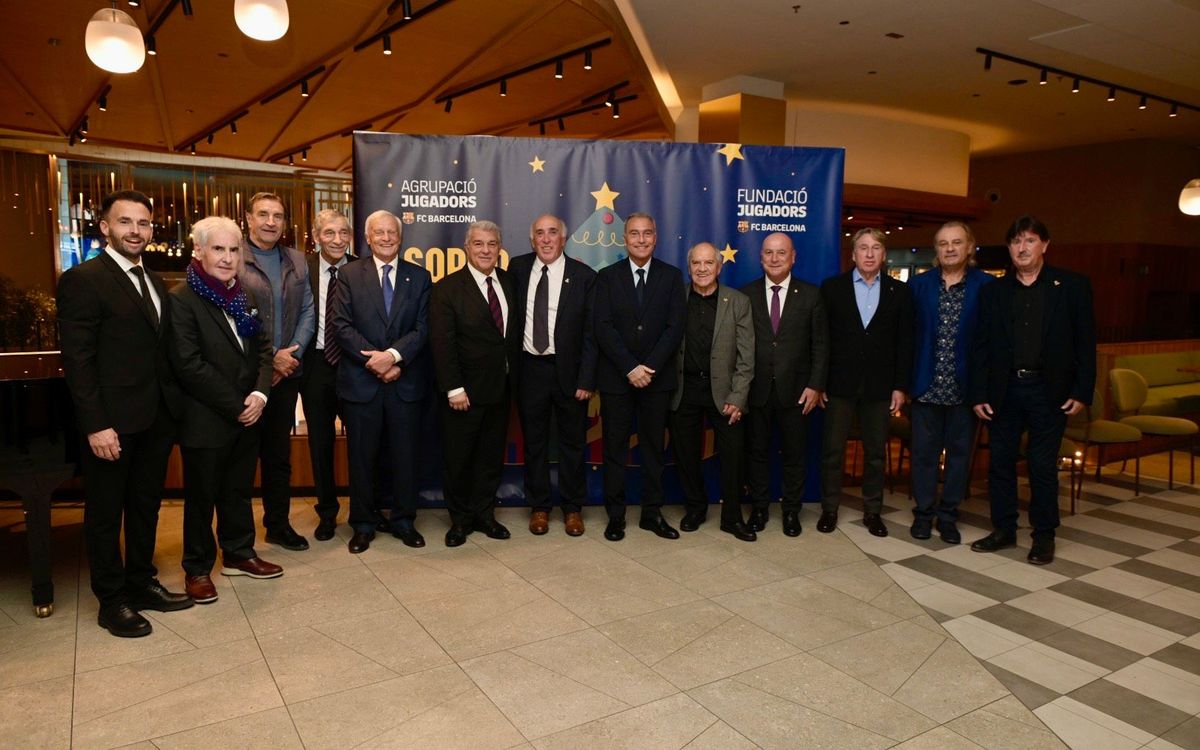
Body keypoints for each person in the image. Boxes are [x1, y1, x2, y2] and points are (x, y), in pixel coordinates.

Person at [57, 189, 192, 638]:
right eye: (125, 222)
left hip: (154, 419)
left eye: (143, 223)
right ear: (106, 227)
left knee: (145, 507)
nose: (136, 231)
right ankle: (111, 600)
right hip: (111, 423)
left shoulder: (152, 281)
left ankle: (140, 582)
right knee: (104, 513)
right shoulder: (84, 279)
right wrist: (96, 424)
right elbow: (79, 361)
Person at [170, 216, 283, 605]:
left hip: (248, 414)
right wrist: (237, 405)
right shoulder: (182, 298)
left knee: (237, 491)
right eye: (218, 249)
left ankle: (238, 553)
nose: (227, 257)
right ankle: (197, 569)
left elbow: (264, 350)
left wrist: (260, 396)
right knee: (202, 498)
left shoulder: (245, 295)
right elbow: (188, 364)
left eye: (234, 250)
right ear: (198, 251)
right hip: (206, 418)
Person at [970, 215, 1095, 565]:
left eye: (1029, 240)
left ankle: (1043, 536)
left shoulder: (1071, 286)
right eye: (1015, 242)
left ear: (1044, 245)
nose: (1021, 248)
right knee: (1001, 465)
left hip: (1049, 391)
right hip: (1004, 391)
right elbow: (981, 346)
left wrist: (1083, 390)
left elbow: (1086, 342)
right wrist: (979, 392)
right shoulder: (994, 291)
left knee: (1041, 466)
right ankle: (1004, 529)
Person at [330, 210, 431, 553]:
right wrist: (375, 360)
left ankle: (404, 521)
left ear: (400, 237)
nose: (387, 238)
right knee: (362, 458)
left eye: (392, 232)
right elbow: (340, 326)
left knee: (406, 457)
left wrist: (395, 357)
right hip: (362, 383)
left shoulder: (419, 277)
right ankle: (363, 524)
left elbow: (423, 328)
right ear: (368, 238)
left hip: (404, 382)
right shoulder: (348, 274)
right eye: (380, 233)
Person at [594, 212, 686, 541]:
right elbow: (602, 327)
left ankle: (651, 513)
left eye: (647, 233)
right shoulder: (606, 277)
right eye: (635, 234)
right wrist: (630, 367)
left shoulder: (672, 277)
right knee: (615, 449)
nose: (641, 239)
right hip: (617, 380)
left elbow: (675, 328)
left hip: (657, 381)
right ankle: (616, 516)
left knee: (652, 450)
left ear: (656, 237)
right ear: (624, 238)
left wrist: (649, 367)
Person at [430, 220, 522, 547]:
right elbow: (442, 343)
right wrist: (453, 387)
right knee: (459, 458)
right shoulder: (447, 288)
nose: (486, 250)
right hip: (463, 393)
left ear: (500, 248)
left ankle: (485, 514)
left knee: (489, 456)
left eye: (492, 244)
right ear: (467, 247)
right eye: (479, 244)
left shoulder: (510, 283)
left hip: (500, 388)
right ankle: (460, 520)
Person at [819, 228, 913, 537]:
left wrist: (900, 387)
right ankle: (829, 509)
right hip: (839, 384)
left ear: (884, 255)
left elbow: (904, 344)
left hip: (880, 386)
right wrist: (819, 383)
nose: (869, 253)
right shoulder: (832, 289)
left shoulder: (899, 293)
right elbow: (822, 340)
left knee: (875, 452)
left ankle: (873, 511)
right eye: (863, 248)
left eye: (875, 248)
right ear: (853, 254)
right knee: (833, 451)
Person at [907, 222, 994, 544]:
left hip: (965, 391)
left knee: (959, 458)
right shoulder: (918, 287)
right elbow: (909, 339)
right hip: (926, 387)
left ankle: (948, 517)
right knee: (923, 456)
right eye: (943, 243)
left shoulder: (987, 287)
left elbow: (991, 343)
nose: (950, 249)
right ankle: (923, 514)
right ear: (936, 249)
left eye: (957, 242)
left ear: (970, 247)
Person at [510, 214, 597, 536]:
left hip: (570, 372)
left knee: (572, 443)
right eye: (540, 234)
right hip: (529, 369)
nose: (546, 239)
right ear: (532, 240)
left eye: (552, 233)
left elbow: (591, 334)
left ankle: (573, 509)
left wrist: (587, 379)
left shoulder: (584, 276)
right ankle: (539, 507)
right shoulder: (516, 270)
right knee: (534, 443)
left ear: (563, 239)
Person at [239, 192, 315, 551]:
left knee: (277, 456)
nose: (271, 222)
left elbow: (308, 312)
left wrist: (290, 356)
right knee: (240, 458)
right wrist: (270, 359)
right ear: (248, 218)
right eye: (263, 215)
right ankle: (239, 539)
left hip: (287, 374)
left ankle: (278, 525)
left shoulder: (297, 260)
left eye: (278, 216)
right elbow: (234, 318)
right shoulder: (233, 258)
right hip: (246, 375)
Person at [741, 232, 828, 537]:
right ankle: (760, 509)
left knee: (794, 455)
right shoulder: (746, 294)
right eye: (769, 253)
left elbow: (821, 345)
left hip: (798, 392)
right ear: (760, 257)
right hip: (757, 390)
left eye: (781, 253)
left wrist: (816, 385)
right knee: (757, 453)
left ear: (793, 257)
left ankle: (791, 511)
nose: (775, 258)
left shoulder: (811, 295)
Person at [670, 242, 756, 541]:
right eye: (696, 263)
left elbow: (747, 356)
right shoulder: (675, 297)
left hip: (726, 393)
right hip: (684, 389)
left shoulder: (738, 302)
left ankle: (731, 517)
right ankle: (695, 508)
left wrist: (738, 396)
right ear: (689, 266)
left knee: (733, 458)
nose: (702, 269)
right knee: (686, 455)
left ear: (719, 267)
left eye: (709, 263)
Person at [300, 209, 355, 542]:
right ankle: (327, 513)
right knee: (320, 443)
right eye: (330, 233)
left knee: (364, 443)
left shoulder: (363, 268)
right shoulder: (300, 269)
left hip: (355, 365)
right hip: (316, 364)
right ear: (317, 235)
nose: (337, 239)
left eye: (343, 233)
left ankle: (366, 509)